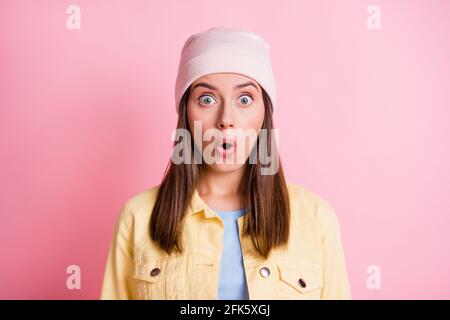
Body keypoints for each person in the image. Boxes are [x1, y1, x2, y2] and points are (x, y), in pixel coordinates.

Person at [100, 27, 351, 300]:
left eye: (245, 99)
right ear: (186, 113)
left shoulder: (316, 218)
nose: (226, 118)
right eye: (206, 99)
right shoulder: (137, 216)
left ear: (264, 113)